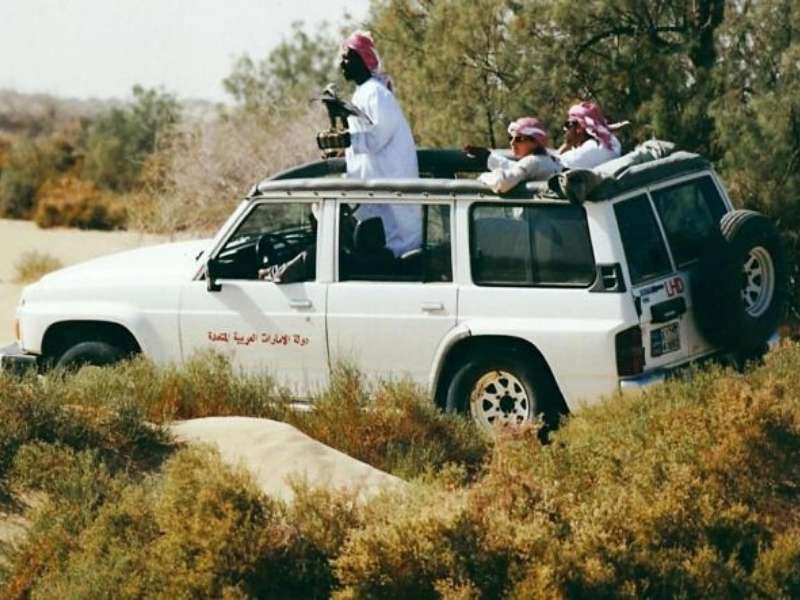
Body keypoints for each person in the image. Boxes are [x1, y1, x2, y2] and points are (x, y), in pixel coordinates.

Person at [339, 31, 421, 258]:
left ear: (362, 60)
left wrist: (348, 140)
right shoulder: (362, 93)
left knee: (399, 241)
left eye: (347, 58)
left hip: (390, 186)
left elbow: (376, 138)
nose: (341, 64)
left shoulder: (376, 94)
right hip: (375, 188)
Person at [464, 117, 561, 193]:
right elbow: (517, 168)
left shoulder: (532, 161)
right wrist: (487, 157)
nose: (512, 143)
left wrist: (483, 177)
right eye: (511, 138)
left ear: (535, 142)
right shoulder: (549, 160)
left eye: (519, 139)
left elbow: (503, 182)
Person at [558, 101, 622, 170]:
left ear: (579, 128)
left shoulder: (589, 150)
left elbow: (553, 166)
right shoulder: (612, 144)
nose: (564, 129)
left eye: (567, 125)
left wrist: (566, 145)